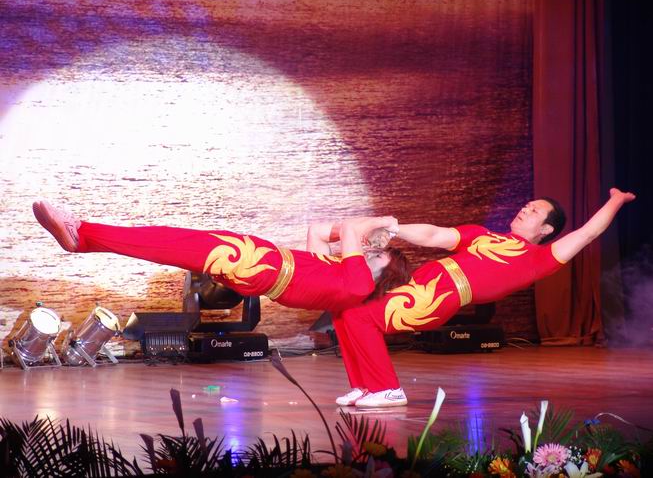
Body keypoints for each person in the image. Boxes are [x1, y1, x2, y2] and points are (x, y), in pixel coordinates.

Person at [333, 188, 636, 408]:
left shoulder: (540, 259)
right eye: (527, 205)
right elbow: (434, 235)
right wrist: (393, 228)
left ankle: (388, 389)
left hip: (438, 297)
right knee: (344, 313)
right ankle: (363, 386)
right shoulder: (483, 235)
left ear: (546, 228)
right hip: (421, 285)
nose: (525, 209)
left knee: (360, 318)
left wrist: (616, 200)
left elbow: (588, 233)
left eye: (534, 211)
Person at [32, 200, 410, 315]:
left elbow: (350, 230)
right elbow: (319, 231)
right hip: (263, 260)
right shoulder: (339, 274)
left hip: (258, 266)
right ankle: (83, 237)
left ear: (385, 270)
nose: (371, 250)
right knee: (170, 241)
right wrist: (365, 232)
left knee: (170, 243)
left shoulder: (358, 285)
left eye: (379, 253)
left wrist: (384, 223)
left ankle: (82, 233)